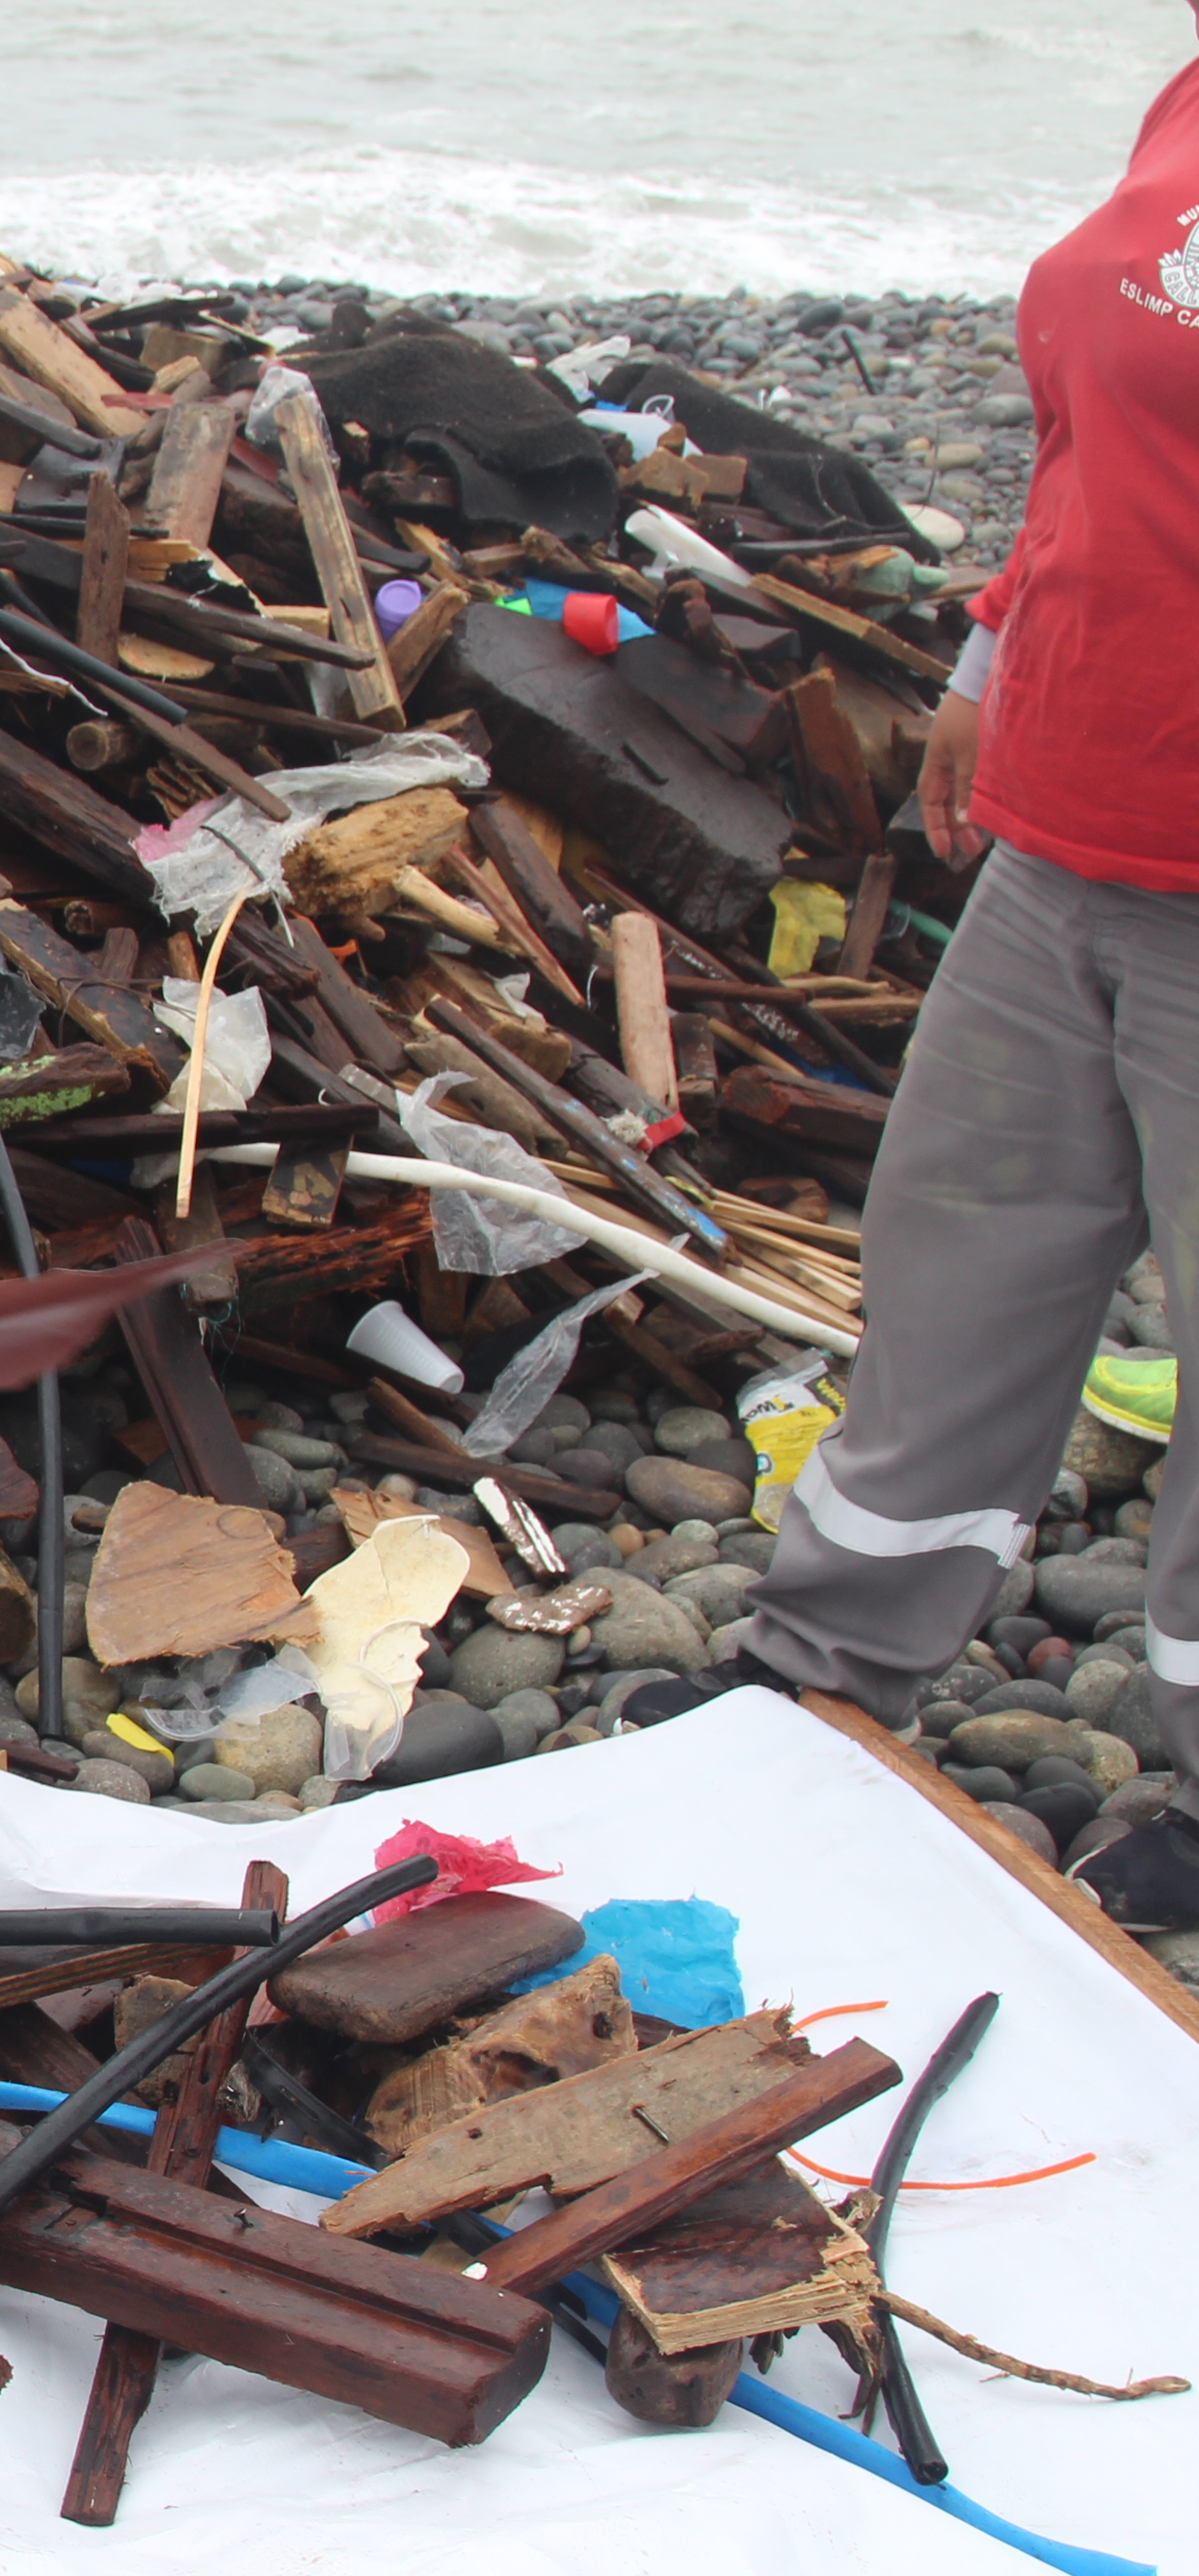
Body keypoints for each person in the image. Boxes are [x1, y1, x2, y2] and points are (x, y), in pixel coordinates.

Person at [625, 28, 1199, 1925]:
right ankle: (827, 1674)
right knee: (957, 1257)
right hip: (1059, 836)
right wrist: (980, 662)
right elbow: (1087, 434)